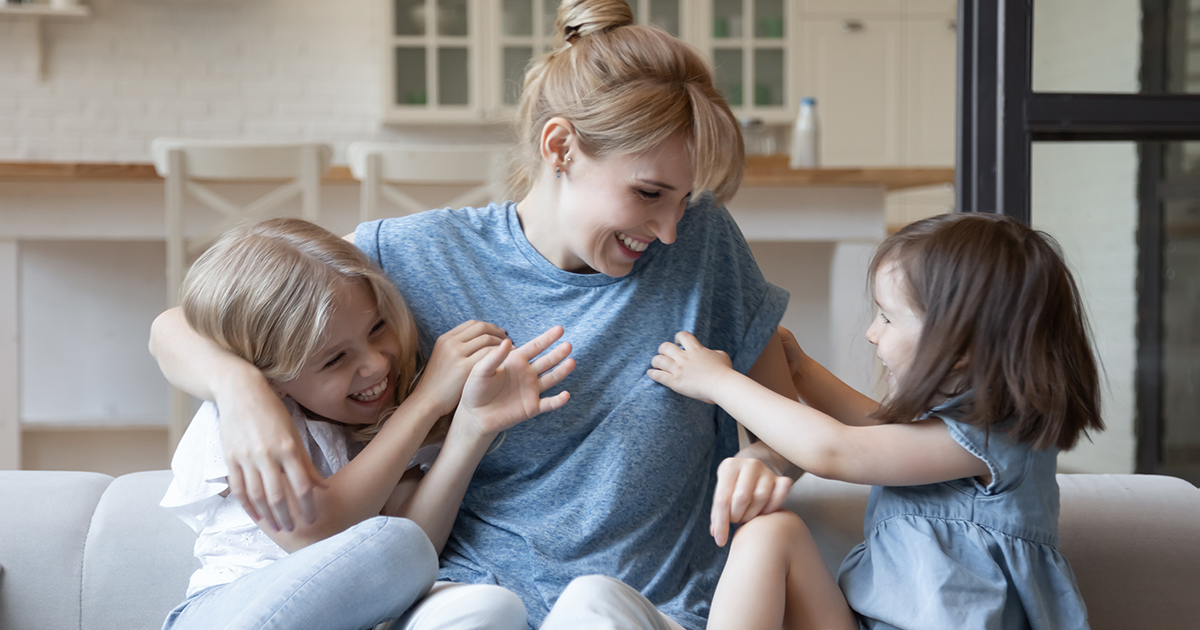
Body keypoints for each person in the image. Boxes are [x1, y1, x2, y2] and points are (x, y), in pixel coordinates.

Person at [150, 0, 803, 627]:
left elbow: (787, 430)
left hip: (643, 610)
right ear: (559, 148)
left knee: (594, 613)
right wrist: (241, 389)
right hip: (472, 601)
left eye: (683, 200)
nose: (666, 231)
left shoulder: (703, 243)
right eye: (647, 194)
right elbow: (182, 325)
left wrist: (765, 466)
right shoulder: (413, 256)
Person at [649, 212, 1102, 630]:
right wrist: (801, 369)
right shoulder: (949, 430)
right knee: (771, 534)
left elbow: (837, 451)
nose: (871, 332)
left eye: (887, 317)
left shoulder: (998, 438)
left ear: (962, 347)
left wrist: (719, 383)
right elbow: (878, 430)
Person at [158, 218, 575, 630]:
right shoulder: (249, 418)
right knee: (399, 544)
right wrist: (426, 400)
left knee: (485, 603)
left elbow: (417, 550)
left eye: (378, 328)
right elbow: (312, 534)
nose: (376, 362)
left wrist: (471, 427)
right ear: (273, 379)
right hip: (227, 613)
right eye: (335, 359)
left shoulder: (386, 423)